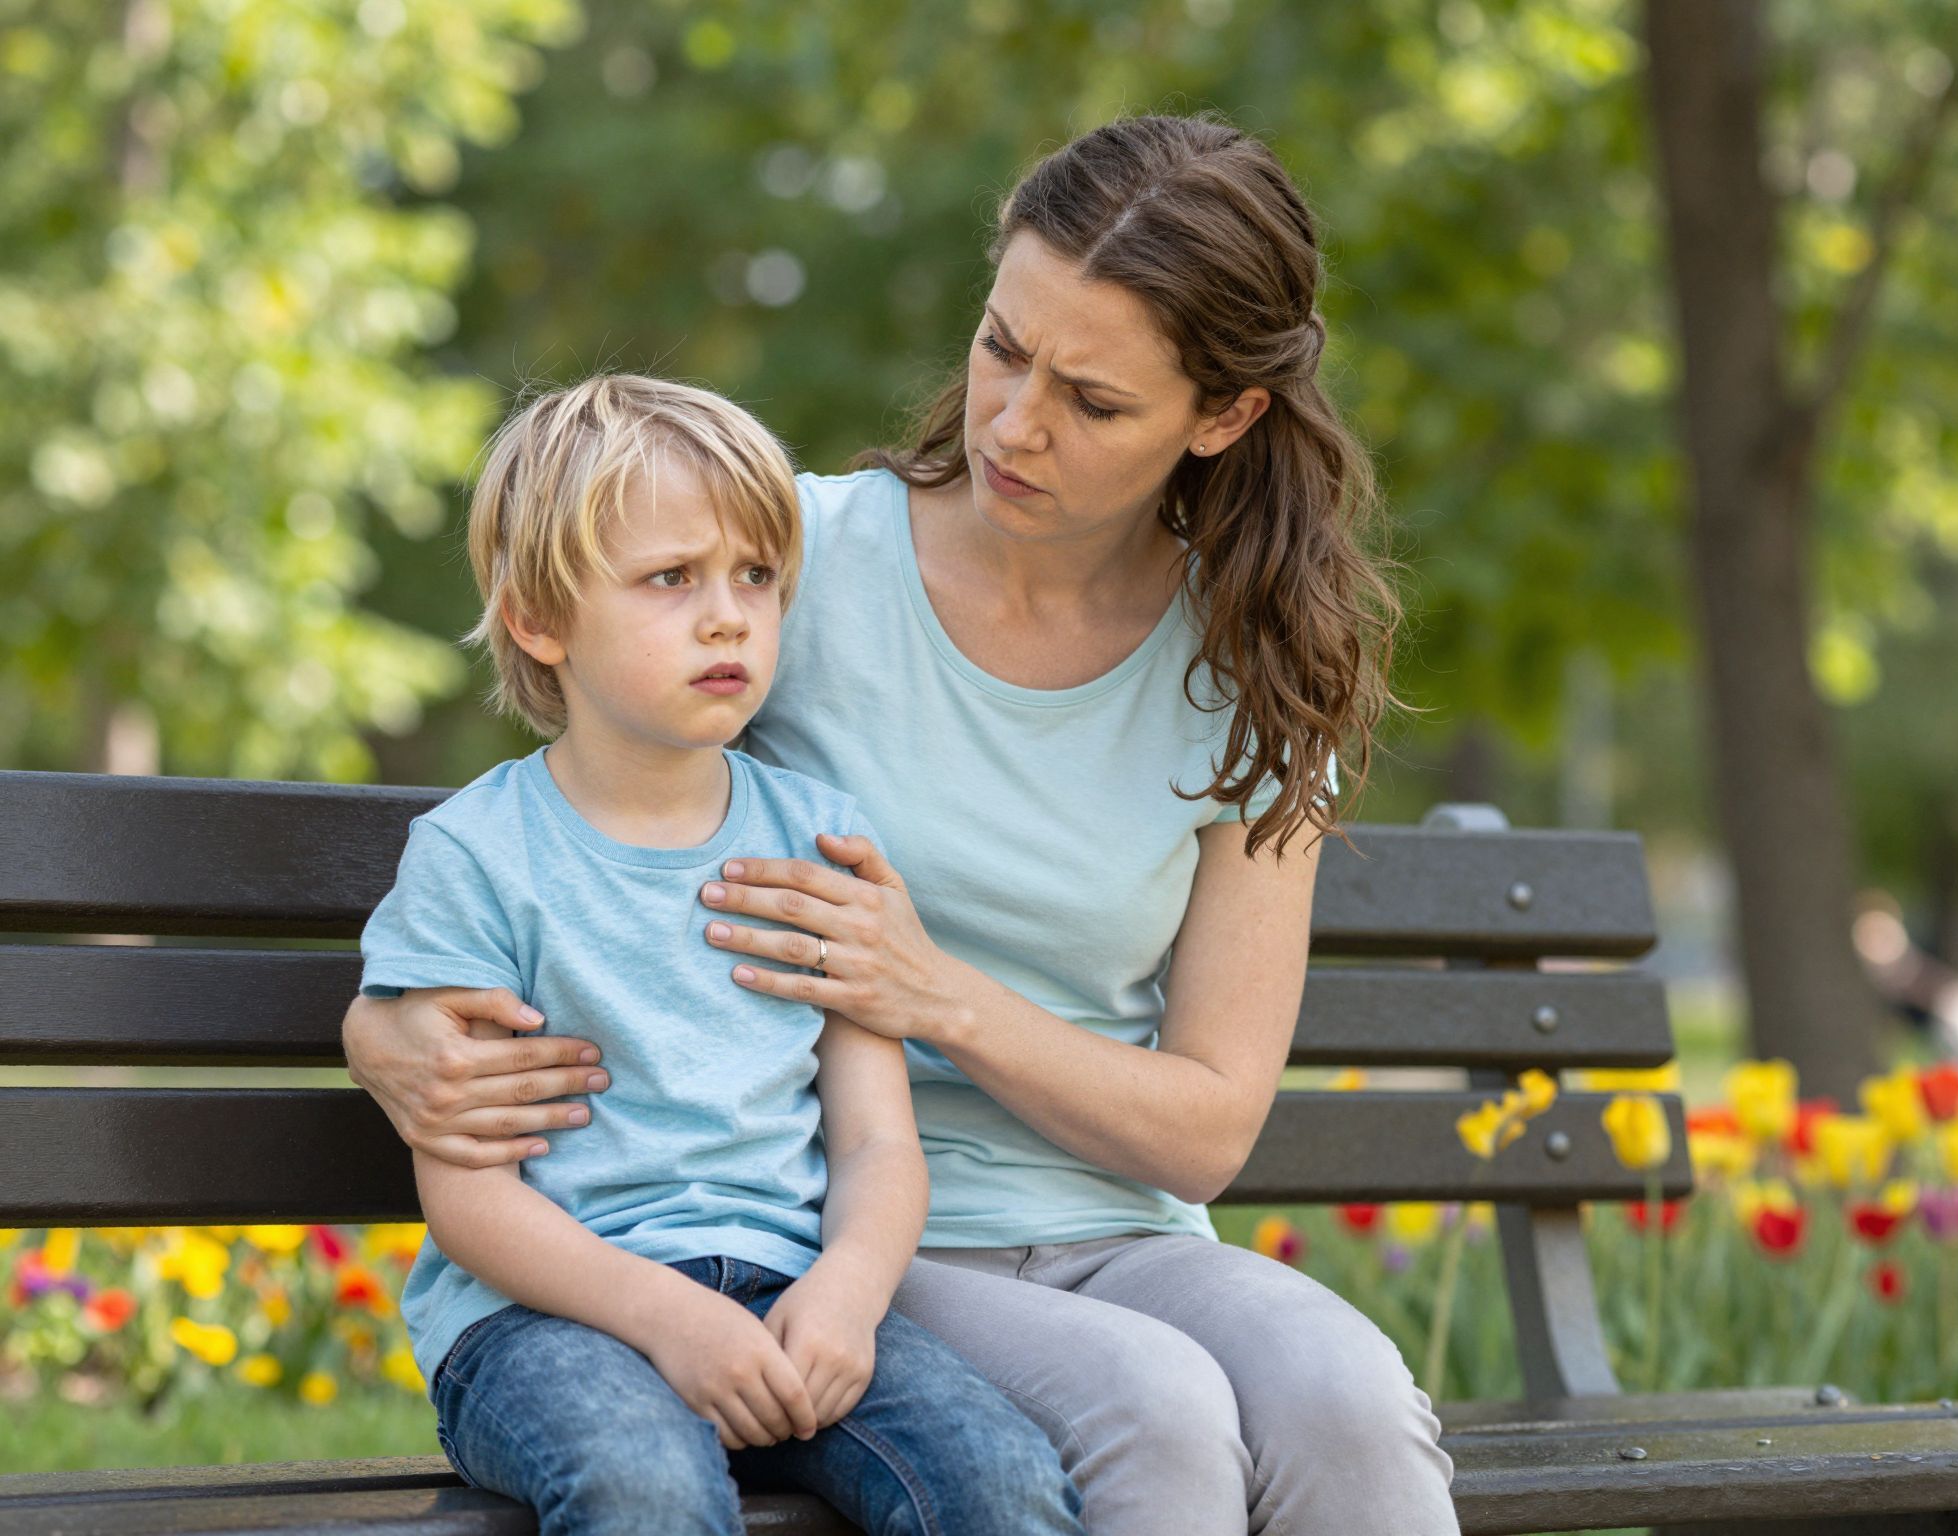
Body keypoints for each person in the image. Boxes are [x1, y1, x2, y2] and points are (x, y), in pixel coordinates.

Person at [346, 115, 1460, 1535]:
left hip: (1125, 1235)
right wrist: (381, 1030)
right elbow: (586, 817)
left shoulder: (1257, 667)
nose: (1012, 423)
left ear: (1222, 417)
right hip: (833, 1231)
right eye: (1002, 348)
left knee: (1350, 1401)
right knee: (1161, 1411)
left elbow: (1206, 1131)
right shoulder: (788, 570)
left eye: (1091, 400)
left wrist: (931, 991)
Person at [357, 373, 1084, 1536]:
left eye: (755, 576)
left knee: (998, 1478)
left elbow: (876, 1140)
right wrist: (667, 1317)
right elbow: (469, 1200)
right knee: (643, 1484)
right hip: (544, 1322)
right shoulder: (477, 857)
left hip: (793, 1293)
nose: (727, 616)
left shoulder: (817, 840)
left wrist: (845, 1295)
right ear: (539, 619)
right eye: (670, 579)